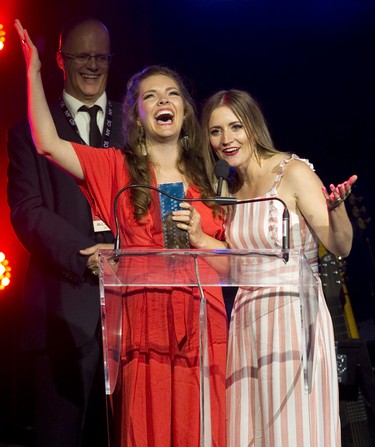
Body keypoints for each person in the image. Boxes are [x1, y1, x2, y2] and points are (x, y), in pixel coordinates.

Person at [14, 19, 228, 447]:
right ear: (137, 112)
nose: (163, 101)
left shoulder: (212, 174)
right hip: (143, 326)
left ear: (185, 110)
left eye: (172, 94)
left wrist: (203, 240)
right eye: (151, 95)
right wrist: (33, 72)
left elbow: (234, 257)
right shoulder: (116, 167)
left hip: (201, 323)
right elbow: (48, 146)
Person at [200, 89, 357, 447]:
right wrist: (197, 236)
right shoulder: (228, 187)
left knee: (293, 430)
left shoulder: (293, 171)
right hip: (247, 320)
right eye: (215, 131)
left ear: (253, 126)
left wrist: (336, 210)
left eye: (235, 126)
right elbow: (234, 265)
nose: (226, 139)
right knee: (251, 430)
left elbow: (340, 245)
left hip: (293, 316)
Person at [7, 17, 124, 447]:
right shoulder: (29, 133)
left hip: (134, 308)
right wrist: (84, 253)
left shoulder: (139, 128)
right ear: (60, 59)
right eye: (81, 56)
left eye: (101, 57)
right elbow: (28, 212)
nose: (92, 66)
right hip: (62, 314)